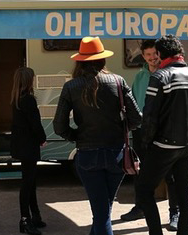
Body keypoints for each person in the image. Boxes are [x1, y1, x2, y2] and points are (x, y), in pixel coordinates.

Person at [53, 37, 141, 235]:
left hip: (87, 153)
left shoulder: (71, 87)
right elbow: (136, 118)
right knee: (103, 212)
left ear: (80, 61)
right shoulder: (118, 81)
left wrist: (76, 136)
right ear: (102, 60)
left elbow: (59, 126)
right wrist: (121, 131)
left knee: (101, 214)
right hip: (116, 154)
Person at [135, 34, 188, 235]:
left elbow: (150, 117)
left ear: (160, 54)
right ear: (180, 52)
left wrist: (146, 144)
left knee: (144, 191)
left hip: (163, 145)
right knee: (185, 194)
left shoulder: (160, 77)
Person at [121, 40, 180, 231]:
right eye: (148, 55)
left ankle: (175, 213)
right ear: (144, 56)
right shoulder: (140, 76)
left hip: (164, 131)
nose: (152, 58)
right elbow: (135, 103)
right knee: (141, 172)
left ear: (160, 54)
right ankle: (140, 207)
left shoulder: (169, 74)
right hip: (143, 132)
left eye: (155, 54)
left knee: (170, 174)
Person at [10, 67, 47, 235]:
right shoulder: (29, 100)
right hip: (29, 146)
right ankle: (25, 219)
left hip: (20, 144)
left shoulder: (16, 99)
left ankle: (34, 216)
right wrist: (42, 138)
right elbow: (35, 123)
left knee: (30, 181)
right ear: (28, 80)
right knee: (28, 183)